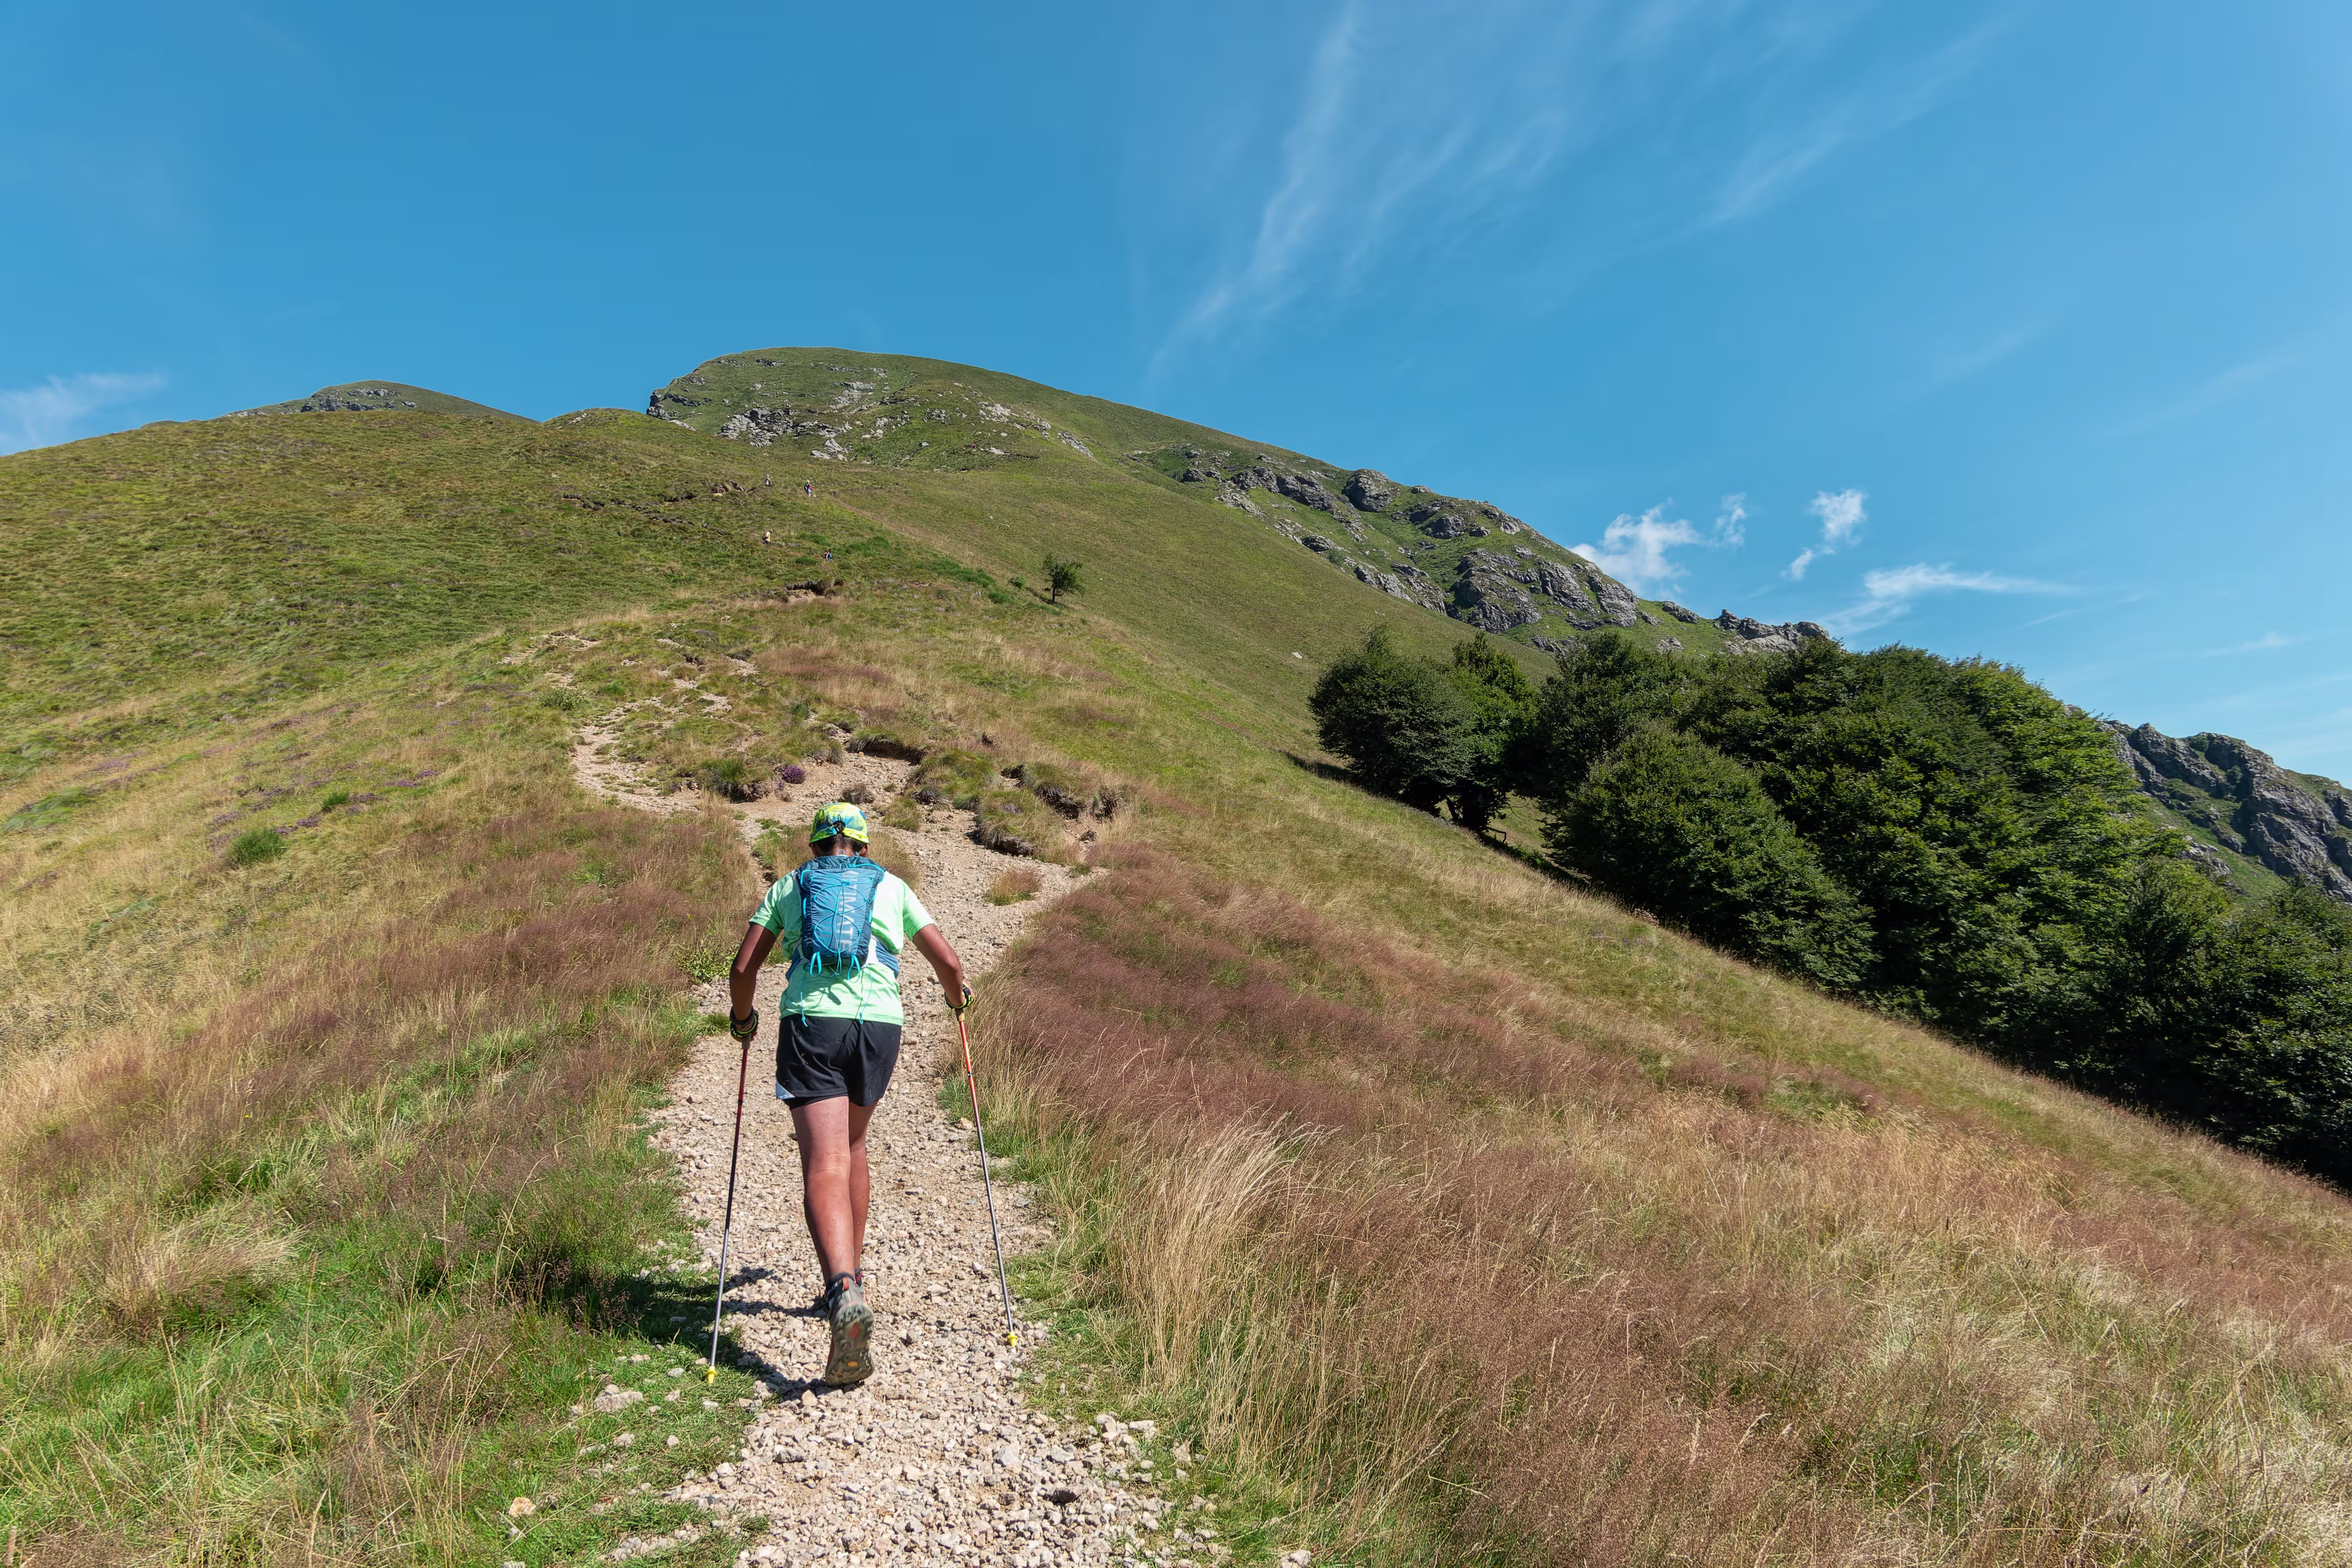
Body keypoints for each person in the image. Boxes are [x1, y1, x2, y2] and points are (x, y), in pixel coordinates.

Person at [726, 802, 968, 1386]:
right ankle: (852, 1277)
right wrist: (958, 1002)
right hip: (879, 1029)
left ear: (815, 847)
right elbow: (950, 963)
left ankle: (841, 1292)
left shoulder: (792, 886)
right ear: (862, 846)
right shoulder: (892, 886)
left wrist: (743, 1020)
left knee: (824, 1161)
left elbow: (742, 969)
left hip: (813, 1023)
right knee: (854, 1147)